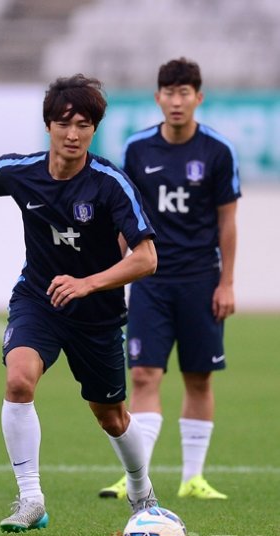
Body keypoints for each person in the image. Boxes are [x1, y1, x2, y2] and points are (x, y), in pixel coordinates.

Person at [0, 74, 158, 533]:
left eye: (84, 124)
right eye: (65, 123)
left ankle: (141, 491)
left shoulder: (110, 184)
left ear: (95, 129)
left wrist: (87, 283)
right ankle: (30, 498)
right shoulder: (19, 172)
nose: (74, 133)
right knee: (19, 379)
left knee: (112, 416)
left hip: (97, 313)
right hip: (38, 298)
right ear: (48, 125)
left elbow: (146, 258)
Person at [99, 57, 240, 501]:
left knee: (199, 377)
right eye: (169, 92)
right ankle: (134, 475)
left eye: (186, 93)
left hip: (201, 278)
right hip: (151, 279)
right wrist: (111, 273)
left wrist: (227, 282)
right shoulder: (138, 150)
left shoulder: (217, 151)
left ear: (198, 98)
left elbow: (228, 222)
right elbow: (124, 217)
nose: (177, 101)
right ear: (158, 97)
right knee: (142, 374)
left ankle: (192, 478)